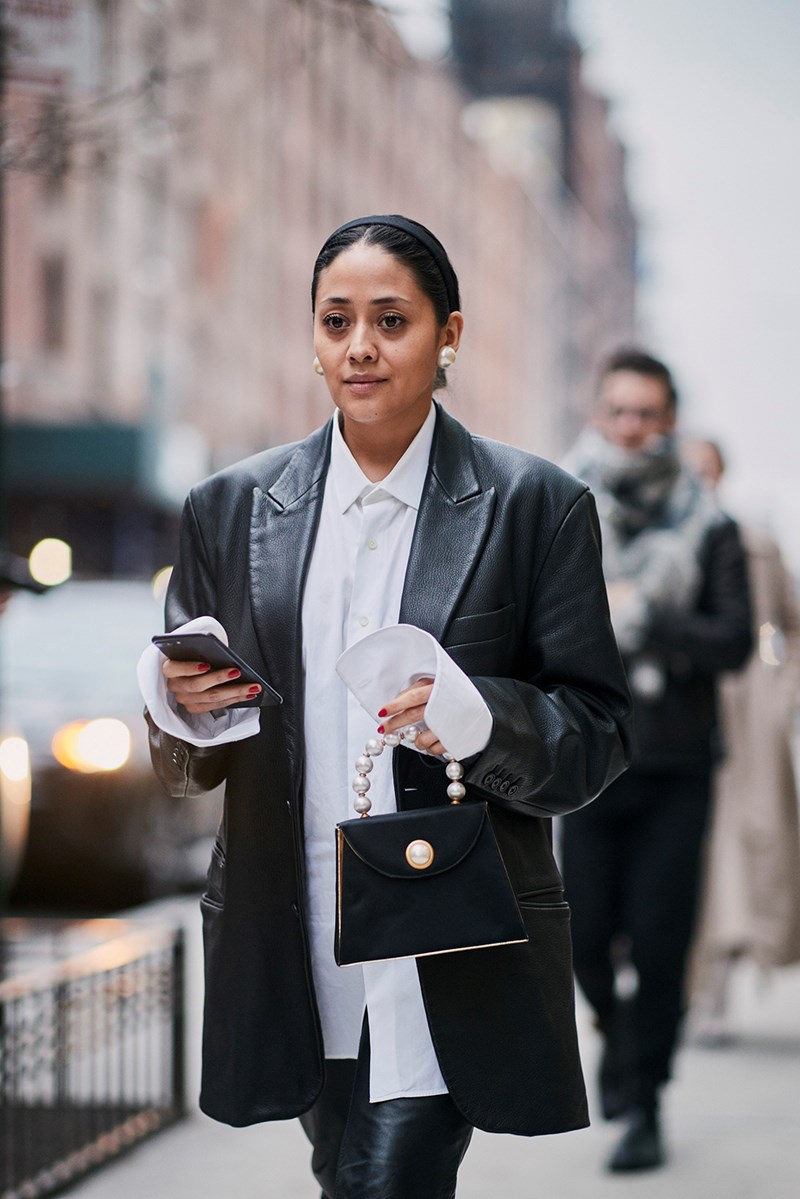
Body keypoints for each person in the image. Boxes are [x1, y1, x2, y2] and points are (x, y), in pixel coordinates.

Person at [140, 215, 632, 1199]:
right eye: (335, 320)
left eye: (390, 319)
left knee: (386, 1178)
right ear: (313, 336)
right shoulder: (228, 509)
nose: (358, 345)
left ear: (448, 334)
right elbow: (183, 761)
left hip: (445, 936)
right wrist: (183, 707)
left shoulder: (533, 503)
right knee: (345, 1170)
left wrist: (473, 713)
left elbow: (596, 736)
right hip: (293, 929)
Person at [560, 351, 752, 1173]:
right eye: (620, 412)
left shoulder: (711, 525)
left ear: (669, 419)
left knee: (664, 941)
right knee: (587, 939)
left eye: (648, 413)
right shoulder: (565, 510)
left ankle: (646, 1101)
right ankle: (616, 1031)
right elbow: (542, 627)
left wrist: (648, 619)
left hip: (677, 766)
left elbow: (734, 640)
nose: (633, 427)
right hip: (591, 761)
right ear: (599, 415)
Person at [682, 439, 800, 1039]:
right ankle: (694, 986)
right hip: (684, 715)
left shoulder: (756, 545)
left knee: (745, 844)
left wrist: (781, 693)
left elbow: (790, 624)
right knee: (692, 848)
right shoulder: (662, 545)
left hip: (750, 715)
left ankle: (718, 985)